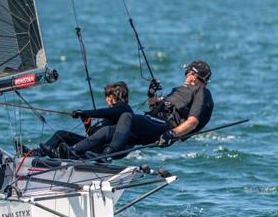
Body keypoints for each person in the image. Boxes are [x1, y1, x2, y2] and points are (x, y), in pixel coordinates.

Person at [75, 60, 214, 159]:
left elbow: (192, 122)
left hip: (165, 127)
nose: (185, 75)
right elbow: (153, 108)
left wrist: (172, 134)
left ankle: (108, 154)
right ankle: (73, 151)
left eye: (187, 72)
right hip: (154, 123)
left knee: (127, 116)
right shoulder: (180, 91)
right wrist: (151, 94)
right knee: (106, 131)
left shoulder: (201, 92)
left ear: (193, 76)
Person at [36, 81, 132, 159]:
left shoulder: (124, 109)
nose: (106, 101)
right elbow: (93, 136)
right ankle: (41, 153)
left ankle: (43, 154)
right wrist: (86, 122)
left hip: (102, 150)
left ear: (110, 98)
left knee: (61, 134)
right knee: (61, 135)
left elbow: (105, 112)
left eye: (106, 98)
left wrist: (85, 112)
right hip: (93, 146)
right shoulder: (113, 113)